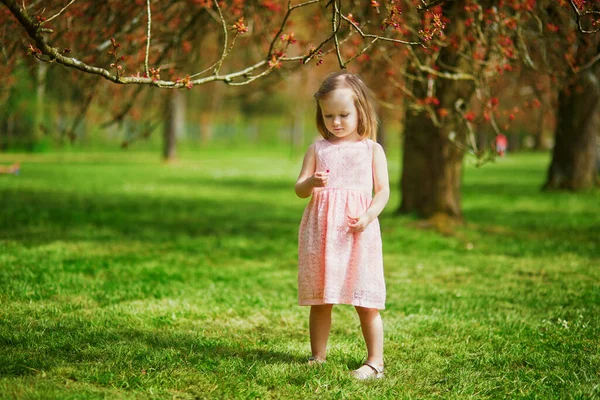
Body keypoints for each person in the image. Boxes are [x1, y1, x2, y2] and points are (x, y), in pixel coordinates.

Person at [295, 72, 390, 380]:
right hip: (322, 235)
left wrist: (368, 215)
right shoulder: (318, 149)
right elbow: (299, 188)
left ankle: (375, 362)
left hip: (356, 233)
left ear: (360, 110)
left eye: (343, 115)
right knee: (322, 298)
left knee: (365, 301)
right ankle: (317, 356)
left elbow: (383, 191)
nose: (336, 122)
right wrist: (310, 181)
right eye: (329, 115)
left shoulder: (371, 149)